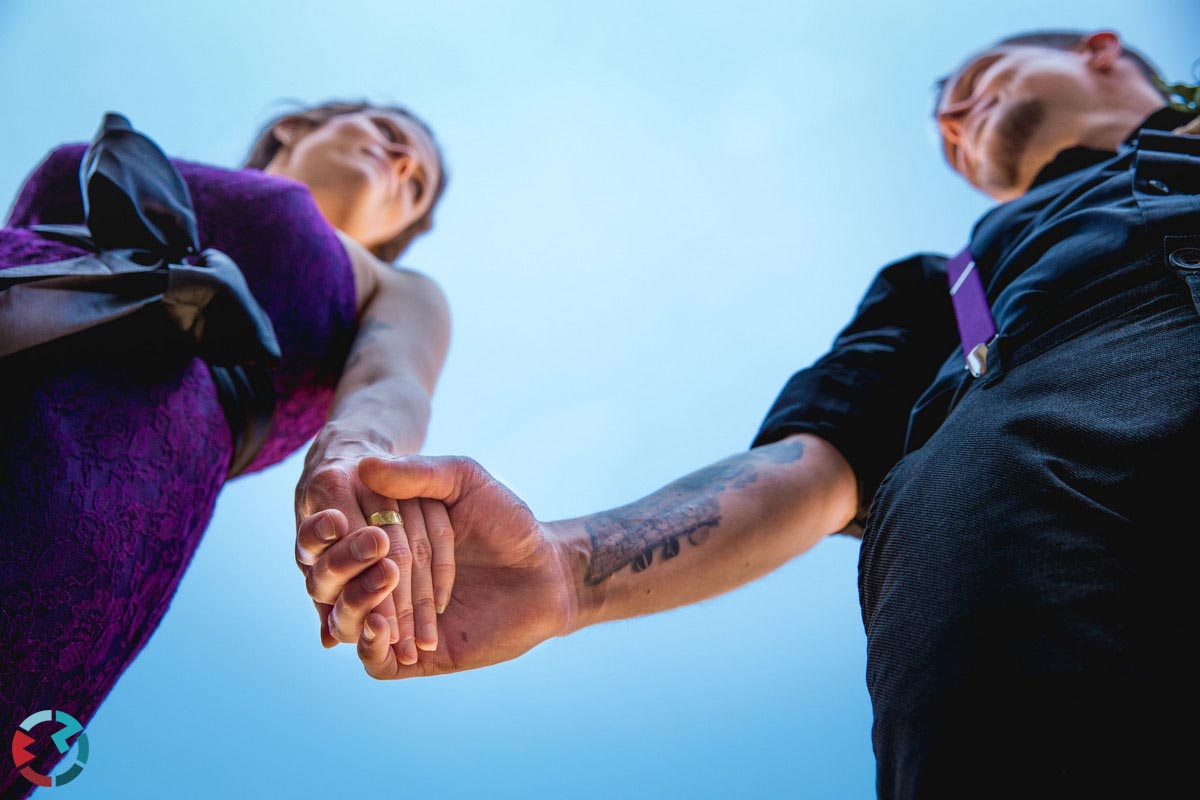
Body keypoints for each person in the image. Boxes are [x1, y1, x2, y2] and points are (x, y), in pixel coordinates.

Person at [299, 30, 1199, 798]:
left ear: (1100, 51)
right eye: (948, 133)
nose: (956, 123)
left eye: (978, 84)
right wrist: (567, 571)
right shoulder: (941, 289)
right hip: (1016, 667)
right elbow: (808, 472)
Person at [0, 101, 454, 798]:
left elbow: (391, 383)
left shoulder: (393, 286)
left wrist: (353, 459)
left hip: (117, 462)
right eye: (390, 137)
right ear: (293, 128)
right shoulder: (137, 169)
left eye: (415, 183)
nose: (399, 163)